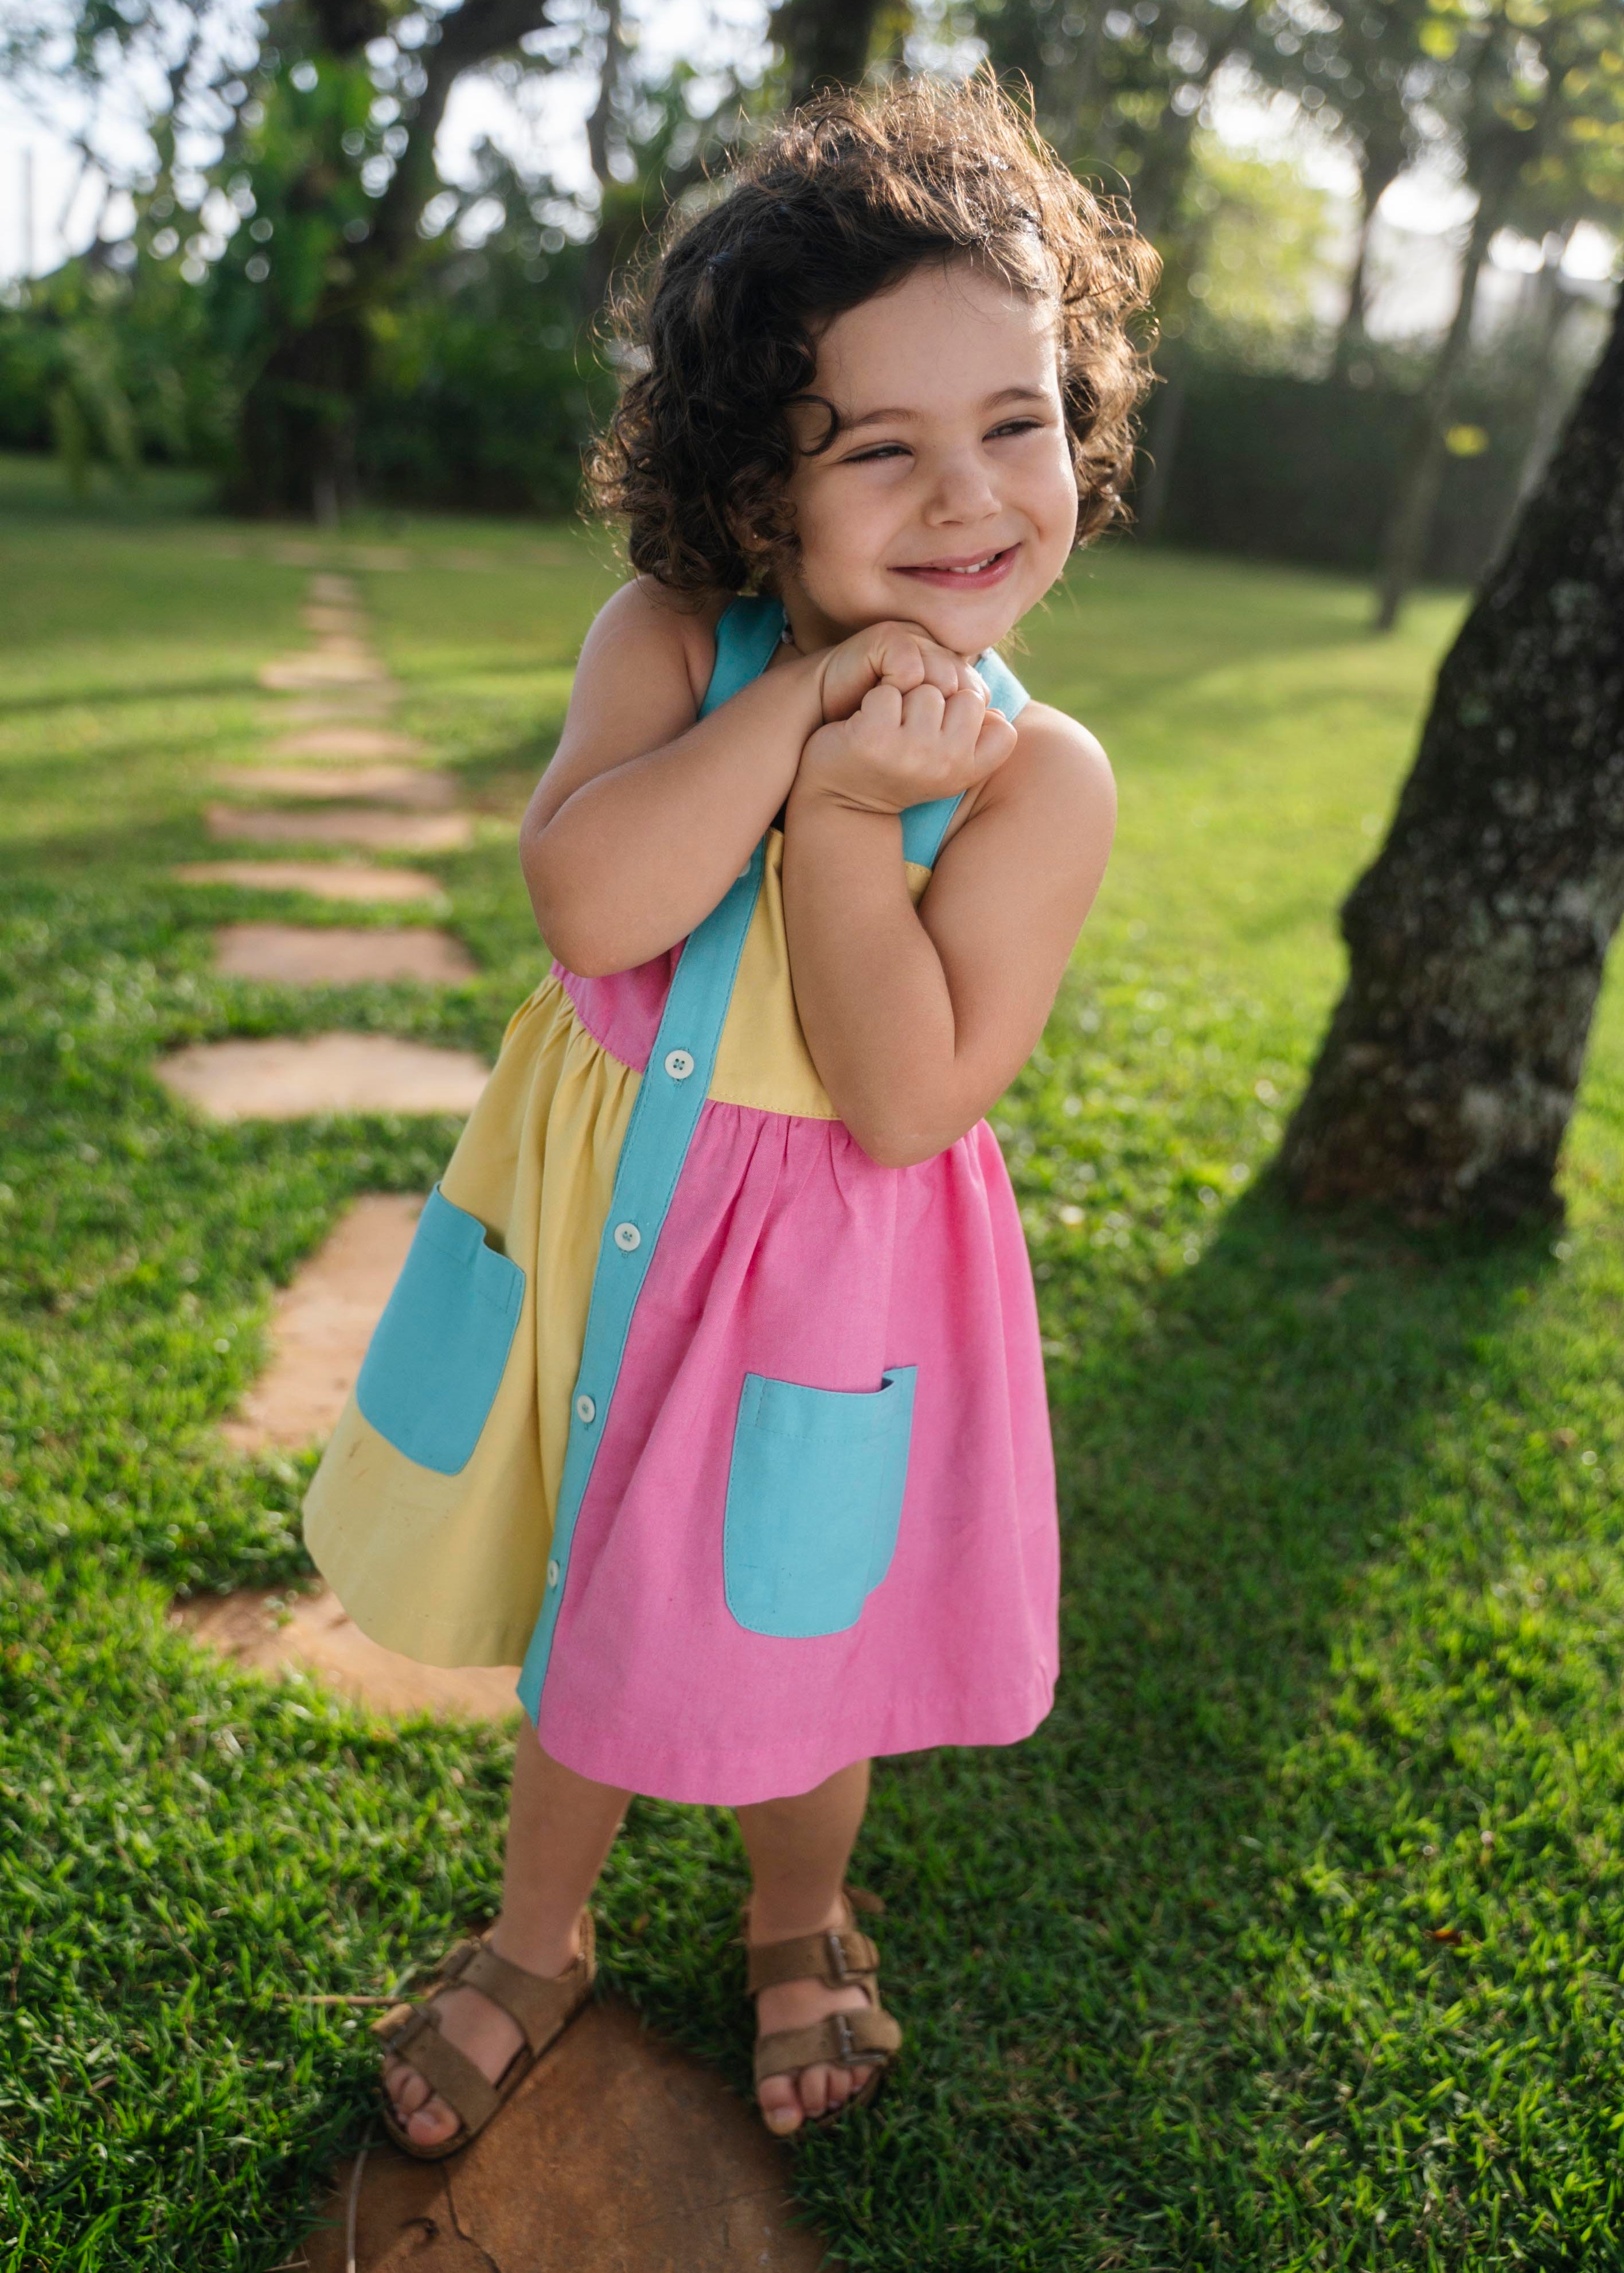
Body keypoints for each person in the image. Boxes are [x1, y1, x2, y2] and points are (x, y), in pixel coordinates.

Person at [303, 72, 1154, 2152]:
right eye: (881, 449)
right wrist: (798, 711)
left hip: (819, 1299)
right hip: (603, 1242)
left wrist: (855, 821)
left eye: (1018, 422)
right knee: (592, 1599)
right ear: (759, 488)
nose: (968, 497)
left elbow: (905, 1096)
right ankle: (538, 1933)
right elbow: (594, 901)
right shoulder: (677, 643)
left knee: (796, 1617)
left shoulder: (1040, 781)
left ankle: (797, 1910)